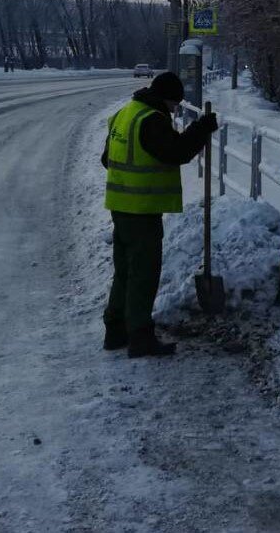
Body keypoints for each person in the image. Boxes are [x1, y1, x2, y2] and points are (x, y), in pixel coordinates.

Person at [100, 72, 218, 358]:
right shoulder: (152, 119)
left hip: (120, 205)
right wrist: (200, 129)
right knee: (143, 274)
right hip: (141, 211)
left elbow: (107, 159)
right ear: (167, 99)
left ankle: (115, 331)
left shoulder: (125, 113)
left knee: (125, 271)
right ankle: (140, 337)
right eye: (175, 105)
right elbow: (175, 152)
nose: (174, 110)